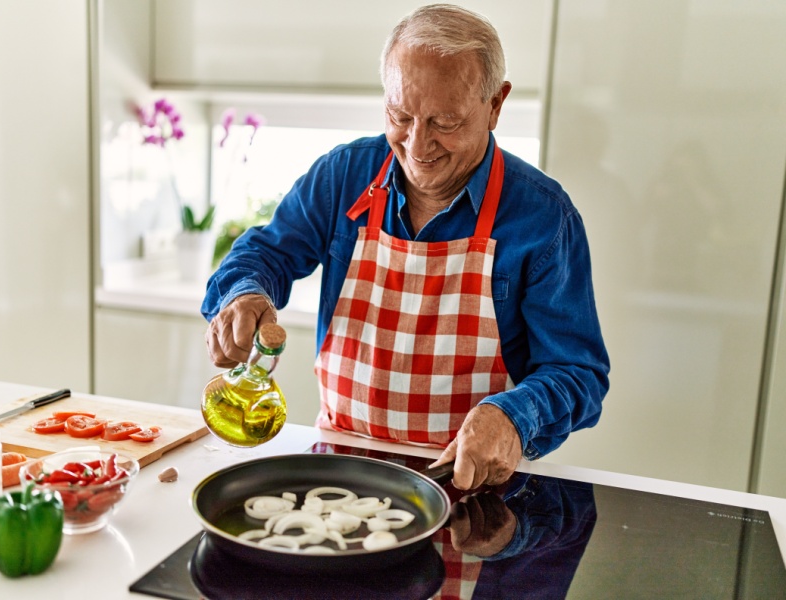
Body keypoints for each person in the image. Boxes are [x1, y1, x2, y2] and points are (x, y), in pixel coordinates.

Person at [202, 3, 609, 490]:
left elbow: (577, 372)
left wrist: (514, 418)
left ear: (496, 105)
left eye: (445, 123)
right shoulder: (342, 176)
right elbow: (264, 255)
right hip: (339, 468)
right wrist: (243, 295)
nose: (418, 147)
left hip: (472, 486)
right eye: (400, 115)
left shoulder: (543, 217)